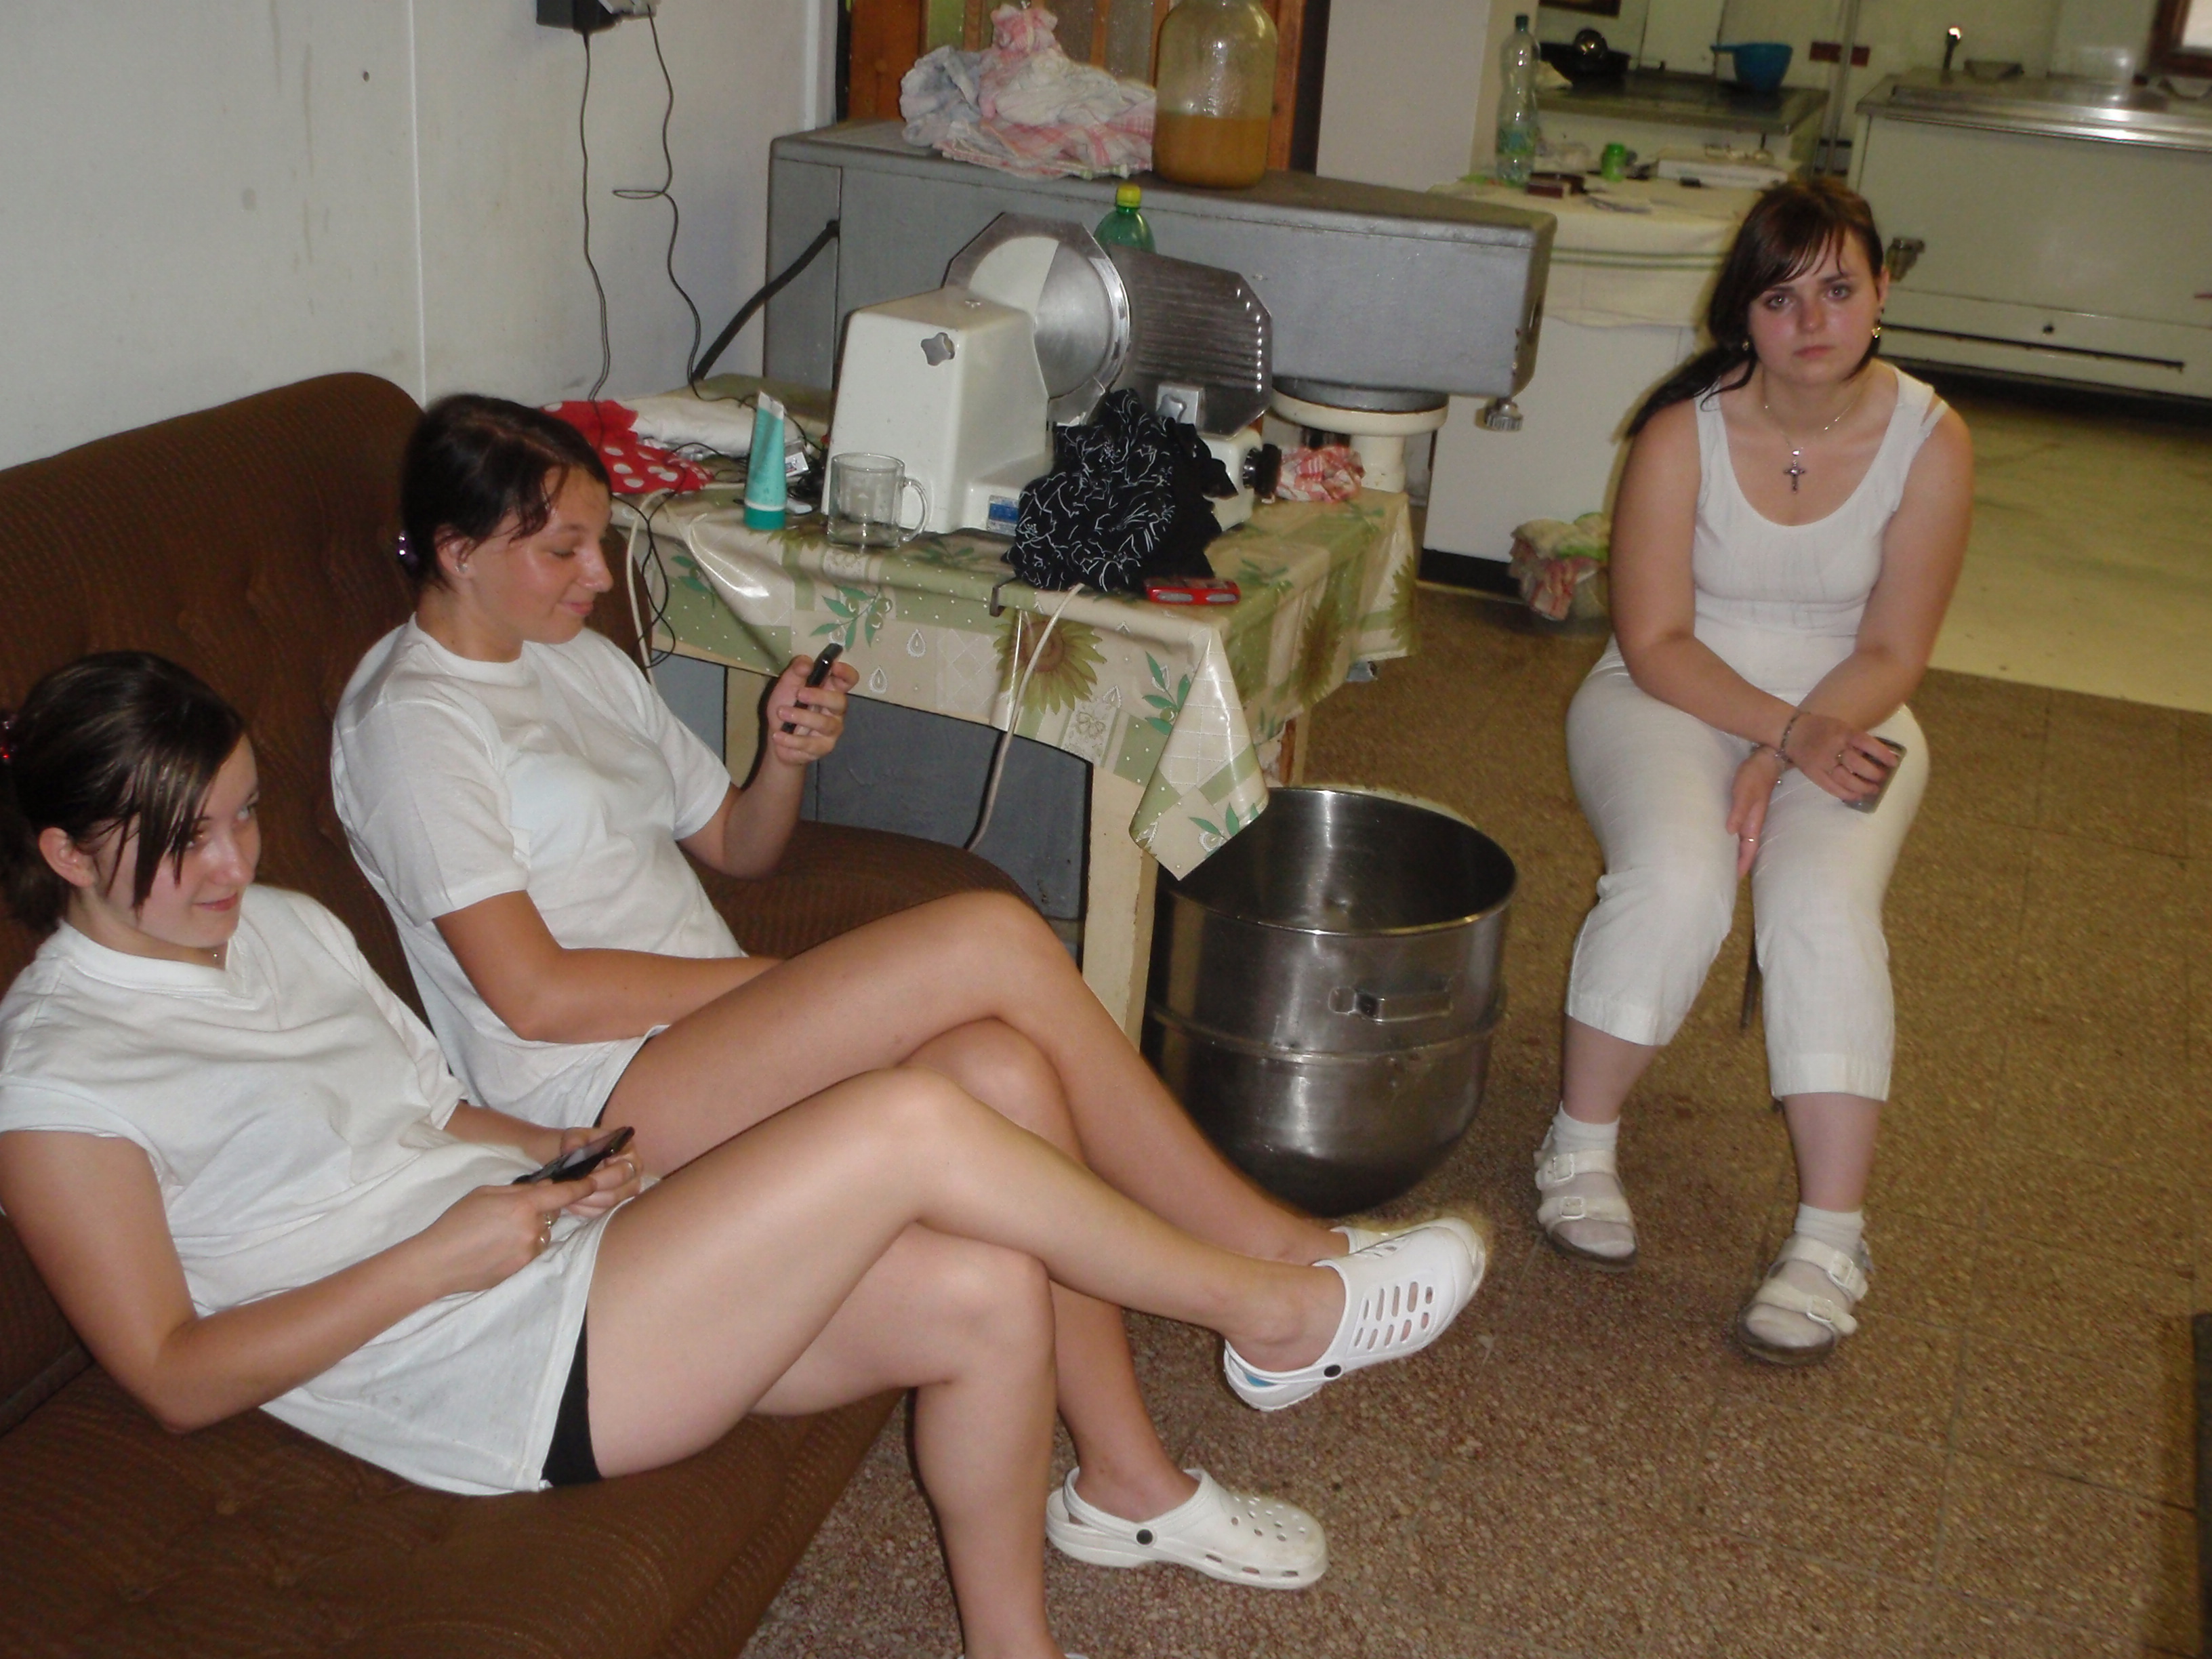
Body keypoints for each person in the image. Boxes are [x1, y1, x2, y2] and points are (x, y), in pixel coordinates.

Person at [0, 652, 1485, 1659]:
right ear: (67, 854)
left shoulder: (279, 929)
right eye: (185, 841)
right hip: (483, 1365)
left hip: (551, 1241)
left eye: (245, 816)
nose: (233, 863)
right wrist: (443, 1254)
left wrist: (567, 1154)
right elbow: (175, 1374)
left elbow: (431, 1111)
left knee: (985, 1246)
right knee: (910, 1119)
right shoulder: (61, 1073)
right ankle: (1271, 1308)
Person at [329, 395, 1469, 1583]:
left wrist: (785, 756)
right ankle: (1280, 1267)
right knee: (989, 941)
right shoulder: (415, 725)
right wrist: (782, 990)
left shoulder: (578, 663)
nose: (597, 575)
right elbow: (535, 996)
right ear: (458, 552)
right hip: (595, 1094)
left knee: (1008, 1072)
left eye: (600, 540)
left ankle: (1129, 1484)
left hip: (704, 1045)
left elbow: (738, 849)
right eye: (562, 549)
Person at [1536, 178, 1972, 1364]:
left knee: (1820, 902)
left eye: (1838, 289)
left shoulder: (1933, 440)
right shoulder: (1682, 431)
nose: (1813, 320)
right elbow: (1654, 640)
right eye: (1780, 298)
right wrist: (1782, 738)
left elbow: (1894, 649)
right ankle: (1579, 1142)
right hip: (1669, 694)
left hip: (1854, 702)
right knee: (1678, 875)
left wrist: (1798, 746)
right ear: (1743, 314)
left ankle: (1832, 1239)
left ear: (1882, 292)